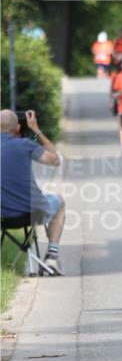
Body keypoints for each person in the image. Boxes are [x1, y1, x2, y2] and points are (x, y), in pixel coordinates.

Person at [1, 109, 66, 275]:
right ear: (17, 128)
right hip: (32, 212)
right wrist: (36, 130)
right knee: (59, 201)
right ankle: (52, 256)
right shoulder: (24, 145)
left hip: (2, 216)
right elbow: (55, 160)